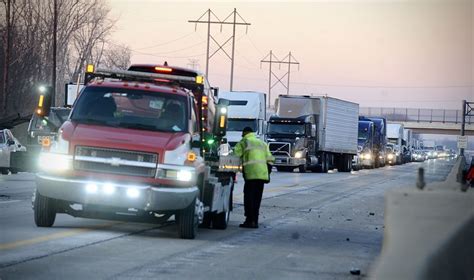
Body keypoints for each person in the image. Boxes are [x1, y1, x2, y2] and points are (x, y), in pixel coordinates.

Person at [234, 127, 274, 228]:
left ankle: (249, 220)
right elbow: (270, 160)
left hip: (251, 174)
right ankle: (255, 221)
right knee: (257, 199)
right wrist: (267, 173)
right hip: (262, 175)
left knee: (249, 198)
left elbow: (235, 155)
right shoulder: (262, 143)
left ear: (244, 134)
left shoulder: (244, 142)